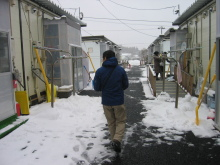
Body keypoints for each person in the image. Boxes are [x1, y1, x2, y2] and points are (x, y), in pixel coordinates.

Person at [93, 50, 129, 153]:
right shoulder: (120, 70)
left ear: (105, 58)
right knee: (121, 121)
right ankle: (117, 140)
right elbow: (125, 85)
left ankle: (115, 141)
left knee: (111, 122)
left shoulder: (100, 71)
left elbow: (97, 88)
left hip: (106, 101)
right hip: (118, 101)